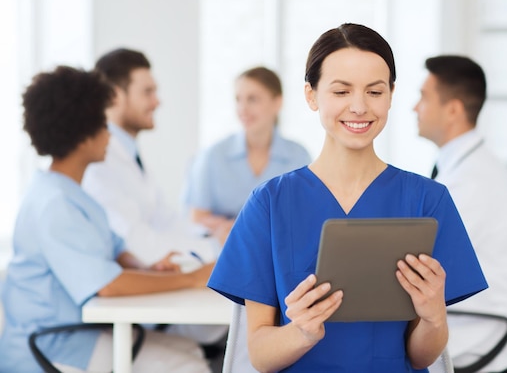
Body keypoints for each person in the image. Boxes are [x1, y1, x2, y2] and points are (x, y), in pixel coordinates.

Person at [208, 23, 488, 373]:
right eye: (341, 92)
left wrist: (433, 319)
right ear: (311, 95)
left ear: (391, 95)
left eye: (374, 92)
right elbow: (260, 356)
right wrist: (302, 332)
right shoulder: (269, 204)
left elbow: (420, 357)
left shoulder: (428, 201)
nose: (359, 107)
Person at [0, 66, 213, 373]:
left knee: (190, 350)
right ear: (81, 136)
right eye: (102, 125)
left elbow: (114, 252)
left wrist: (147, 268)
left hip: (79, 332)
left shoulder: (72, 193)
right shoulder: (56, 204)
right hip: (53, 345)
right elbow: (107, 285)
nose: (109, 136)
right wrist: (192, 278)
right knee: (185, 365)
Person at [82, 48, 227, 348]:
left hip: (162, 291)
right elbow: (137, 240)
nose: (157, 101)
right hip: (143, 306)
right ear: (114, 96)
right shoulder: (99, 165)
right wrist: (213, 250)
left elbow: (166, 219)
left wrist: (212, 236)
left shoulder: (128, 154)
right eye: (147, 91)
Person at [414, 55, 507, 372]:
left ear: (453, 110)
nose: (414, 108)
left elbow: (421, 263)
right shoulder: (470, 167)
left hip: (491, 341)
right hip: (486, 324)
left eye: (424, 97)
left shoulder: (470, 184)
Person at [183, 66, 311, 243]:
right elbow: (196, 217)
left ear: (277, 102)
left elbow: (303, 217)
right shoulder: (213, 155)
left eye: (253, 99)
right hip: (225, 254)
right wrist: (230, 229)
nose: (242, 108)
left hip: (278, 253)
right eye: (238, 99)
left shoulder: (298, 156)